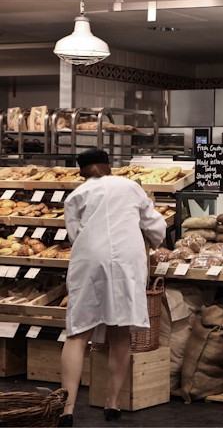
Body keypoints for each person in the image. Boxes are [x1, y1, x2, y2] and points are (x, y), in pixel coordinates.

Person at [58, 149, 166, 427]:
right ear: (109, 166)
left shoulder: (75, 196)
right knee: (120, 333)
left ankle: (67, 409)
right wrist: (155, 242)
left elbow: (74, 236)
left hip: (90, 259)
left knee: (78, 332)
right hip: (127, 261)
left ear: (81, 170)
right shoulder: (130, 186)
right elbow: (155, 225)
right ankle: (113, 404)